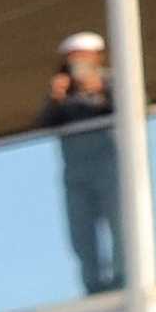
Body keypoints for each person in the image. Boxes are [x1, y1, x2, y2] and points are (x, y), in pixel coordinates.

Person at [46, 35, 124, 297]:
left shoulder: (116, 82)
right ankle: (94, 286)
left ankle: (122, 280)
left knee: (120, 224)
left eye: (83, 57)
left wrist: (101, 91)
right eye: (72, 59)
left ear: (97, 57)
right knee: (81, 234)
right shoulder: (65, 93)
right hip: (76, 172)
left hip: (110, 167)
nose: (78, 64)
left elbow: (134, 108)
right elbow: (45, 122)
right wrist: (56, 98)